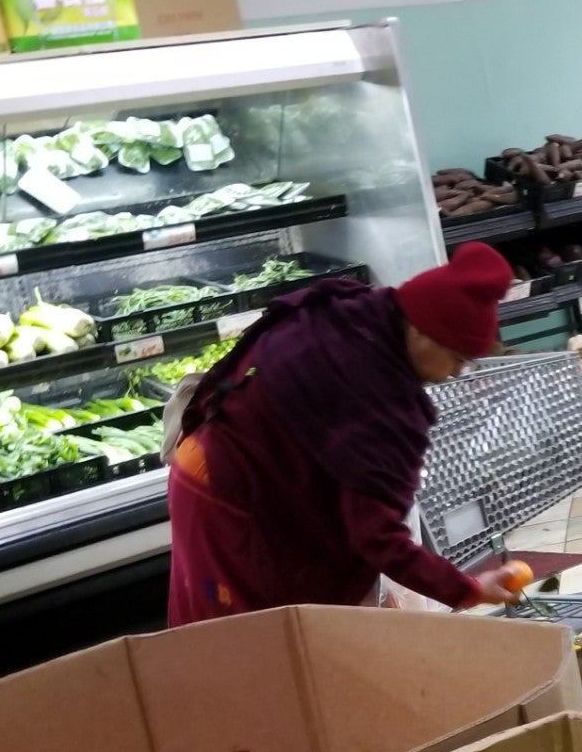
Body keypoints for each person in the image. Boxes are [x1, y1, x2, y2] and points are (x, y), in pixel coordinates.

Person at [165, 244, 523, 627]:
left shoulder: (354, 319)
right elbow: (376, 537)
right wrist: (467, 588)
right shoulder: (377, 398)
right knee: (243, 636)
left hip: (210, 467)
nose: (453, 373)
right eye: (457, 358)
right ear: (421, 330)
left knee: (239, 629)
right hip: (226, 496)